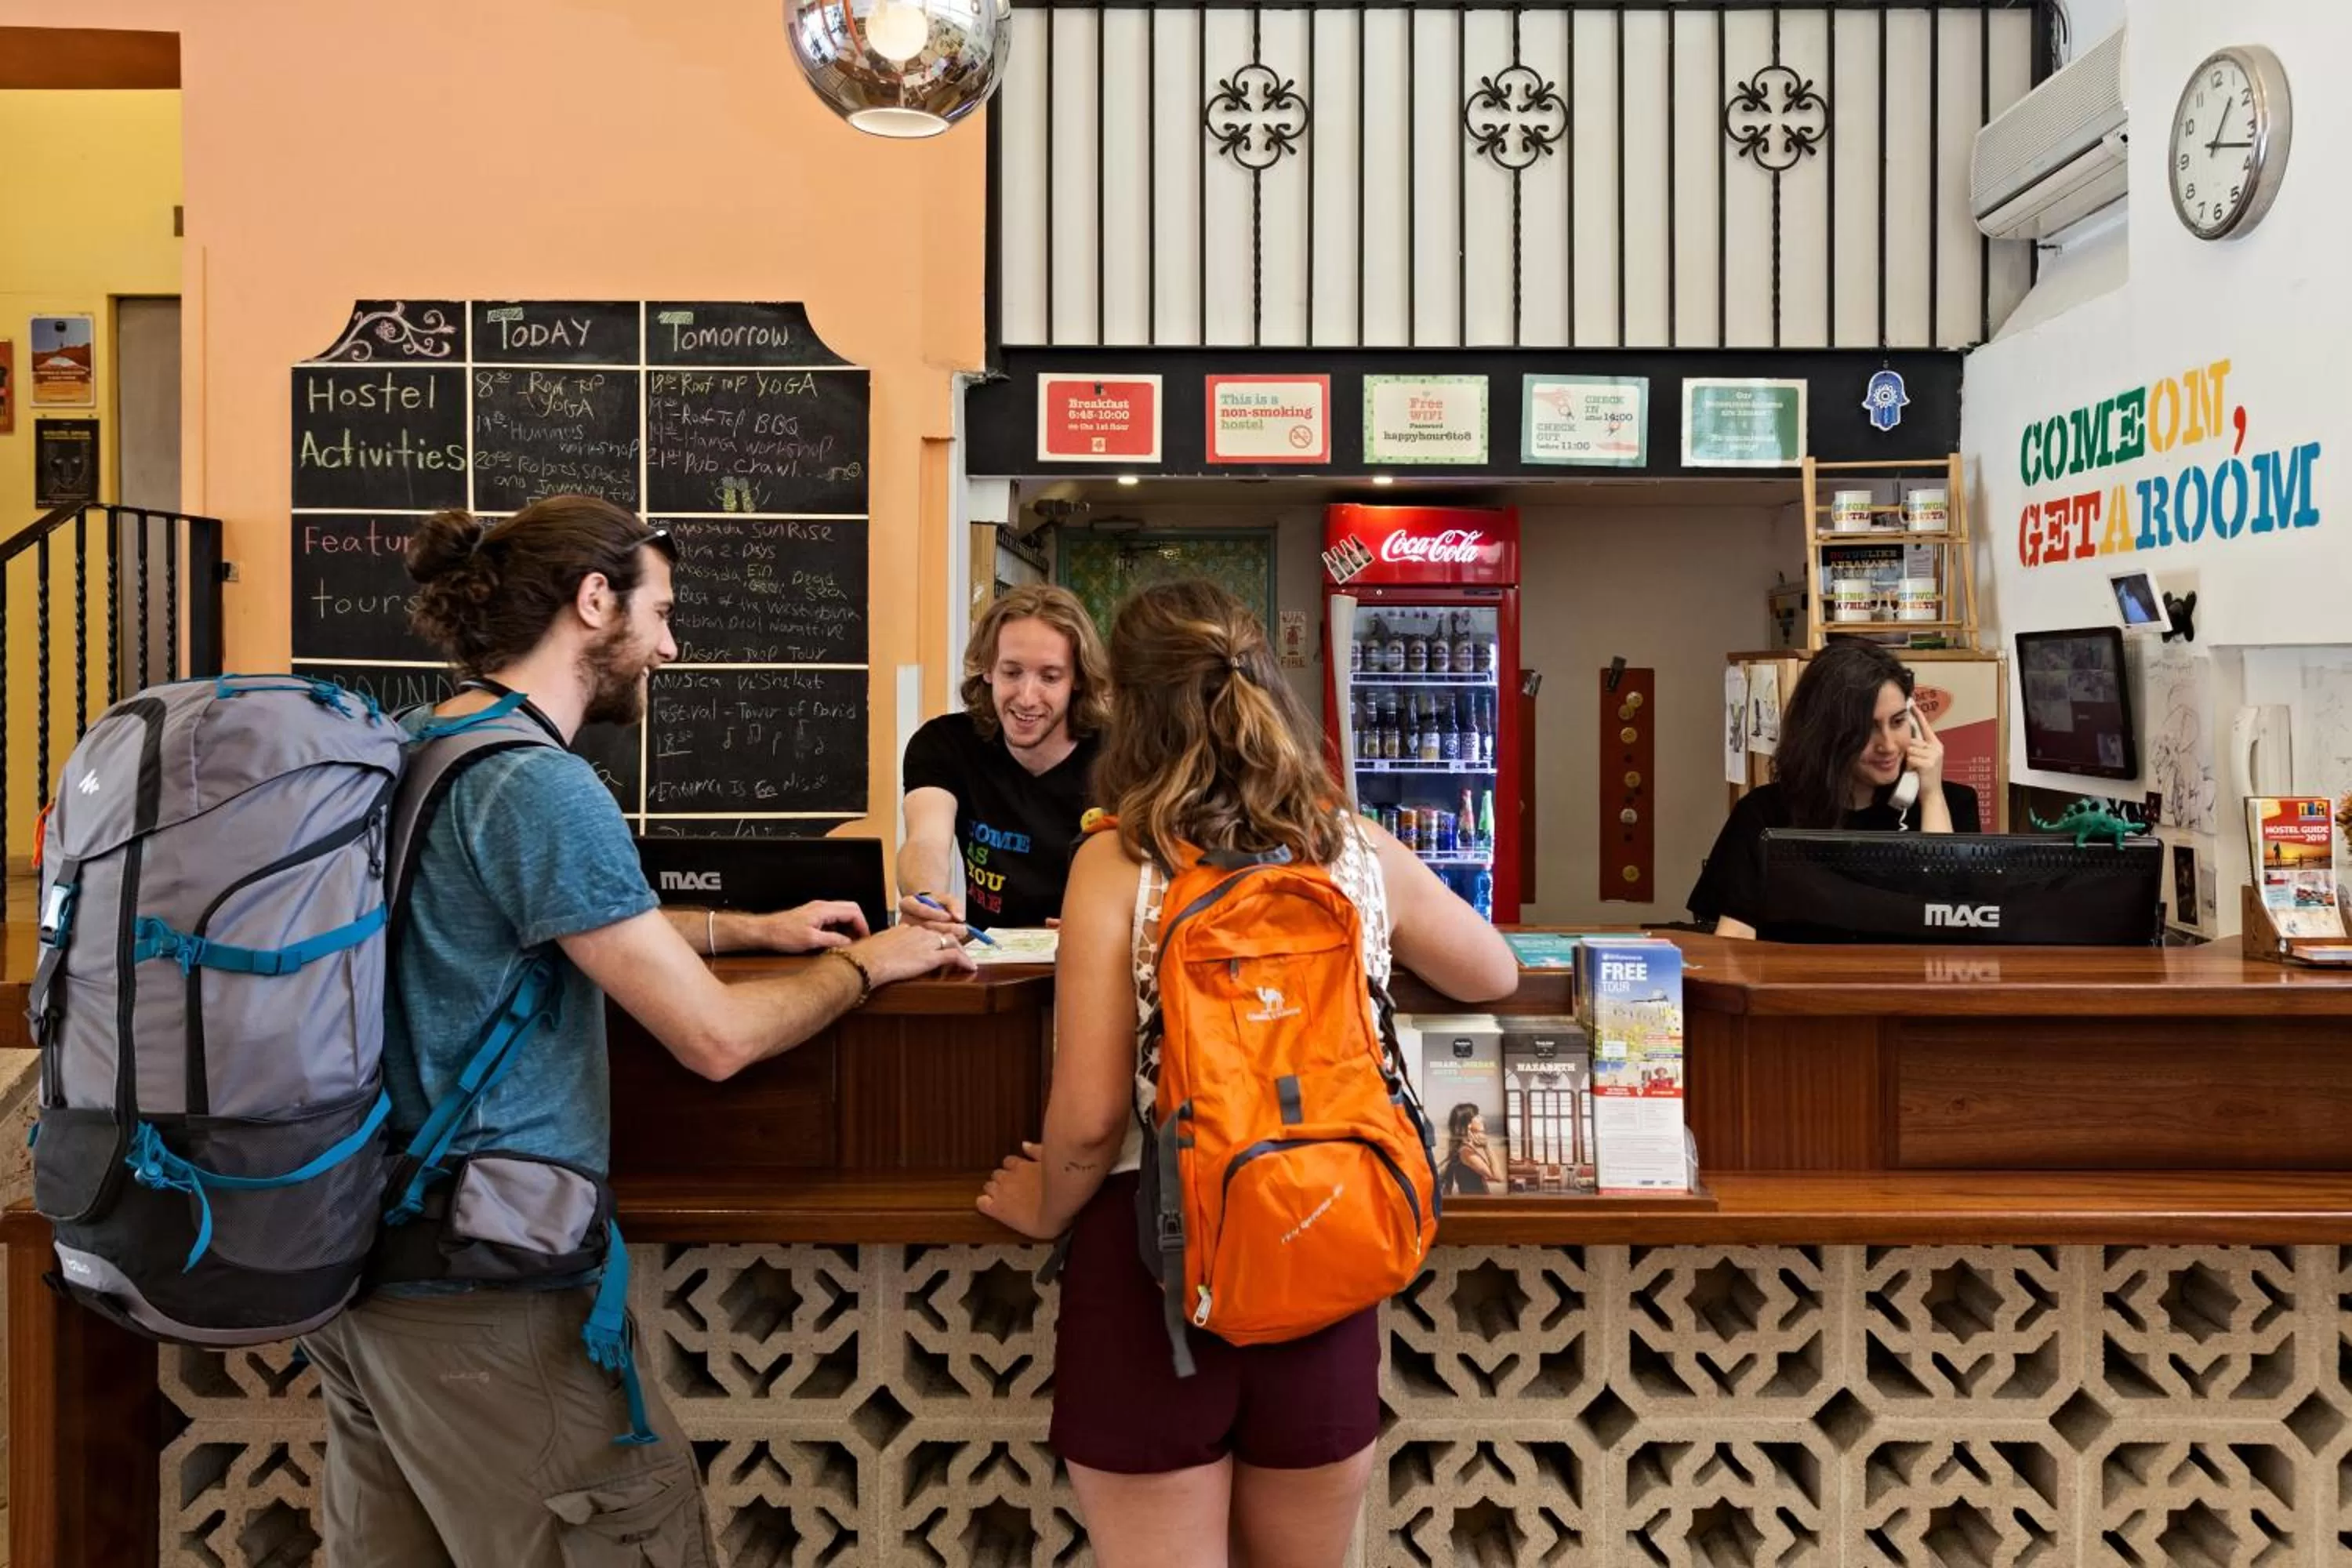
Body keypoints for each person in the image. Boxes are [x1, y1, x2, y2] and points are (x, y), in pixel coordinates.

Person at [299, 495, 974, 1568]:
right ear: (593, 601)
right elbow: (714, 1040)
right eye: (660, 613)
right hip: (487, 1299)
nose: (670, 645)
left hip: (360, 1272)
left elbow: (520, 922)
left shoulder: (426, 744)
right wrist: (865, 964)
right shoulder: (540, 786)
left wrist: (741, 925)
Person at [974, 578, 1517, 1568]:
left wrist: (1043, 1208)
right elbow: (1495, 969)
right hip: (1324, 1244)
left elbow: (1094, 1117)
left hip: (1156, 1268)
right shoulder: (1348, 844)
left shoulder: (1122, 861)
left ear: (1127, 708)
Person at [1690, 639, 1980, 939]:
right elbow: (1734, 937)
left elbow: (1955, 926)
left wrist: (1931, 796)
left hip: (1908, 985)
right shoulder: (1764, 815)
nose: (1888, 745)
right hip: (1795, 983)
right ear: (1827, 734)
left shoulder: (1951, 805)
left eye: (1898, 722)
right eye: (1867, 729)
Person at [898, 585, 1109, 935]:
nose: (1027, 697)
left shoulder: (1121, 755)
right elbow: (925, 839)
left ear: (1078, 681)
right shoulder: (944, 743)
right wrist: (926, 898)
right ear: (988, 670)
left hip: (1094, 953)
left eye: (1050, 677)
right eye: (1012, 673)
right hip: (988, 962)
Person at [1438, 1105, 1500, 1196]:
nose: (1481, 1118)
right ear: (1468, 1124)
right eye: (1477, 1116)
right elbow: (1497, 1176)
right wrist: (1487, 1146)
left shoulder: (1463, 1149)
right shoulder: (1466, 1152)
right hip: (1477, 1206)